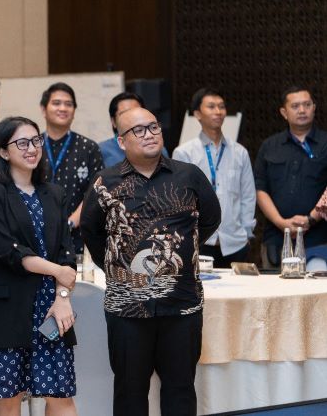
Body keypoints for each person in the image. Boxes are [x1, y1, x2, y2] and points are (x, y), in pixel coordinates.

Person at [81, 107, 221, 416]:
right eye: (139, 130)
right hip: (127, 311)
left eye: (153, 127)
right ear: (122, 141)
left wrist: (185, 251)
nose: (149, 134)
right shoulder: (105, 182)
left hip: (182, 305)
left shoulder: (188, 175)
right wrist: (117, 266)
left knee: (180, 389)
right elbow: (91, 231)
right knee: (129, 392)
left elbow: (211, 219)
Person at [0, 116, 78, 416]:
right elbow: (7, 250)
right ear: (3, 151)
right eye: (21, 143)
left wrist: (62, 298)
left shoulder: (54, 193)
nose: (31, 148)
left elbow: (66, 254)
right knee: (9, 399)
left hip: (51, 309)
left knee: (60, 394)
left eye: (35, 141)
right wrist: (57, 271)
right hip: (6, 309)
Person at [173, 88, 256, 267]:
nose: (218, 111)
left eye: (221, 106)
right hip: (200, 242)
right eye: (211, 107)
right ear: (197, 114)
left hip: (235, 243)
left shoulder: (240, 152)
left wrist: (246, 234)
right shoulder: (184, 153)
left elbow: (248, 196)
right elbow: (180, 201)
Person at [255, 86, 327, 266]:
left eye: (307, 105)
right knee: (274, 284)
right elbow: (260, 189)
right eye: (295, 106)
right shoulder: (269, 146)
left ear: (314, 108)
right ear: (284, 112)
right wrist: (281, 222)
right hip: (277, 237)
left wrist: (310, 219)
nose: (302, 110)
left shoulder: (325, 143)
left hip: (319, 239)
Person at [39, 82, 103, 254]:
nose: (63, 108)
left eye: (68, 104)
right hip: (37, 233)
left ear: (74, 111)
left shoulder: (89, 148)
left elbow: (96, 192)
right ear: (43, 109)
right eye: (56, 103)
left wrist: (70, 223)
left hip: (78, 237)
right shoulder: (33, 146)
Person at [98, 92, 168, 167]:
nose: (132, 117)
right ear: (113, 122)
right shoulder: (101, 150)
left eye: (136, 112)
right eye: (124, 114)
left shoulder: (156, 148)